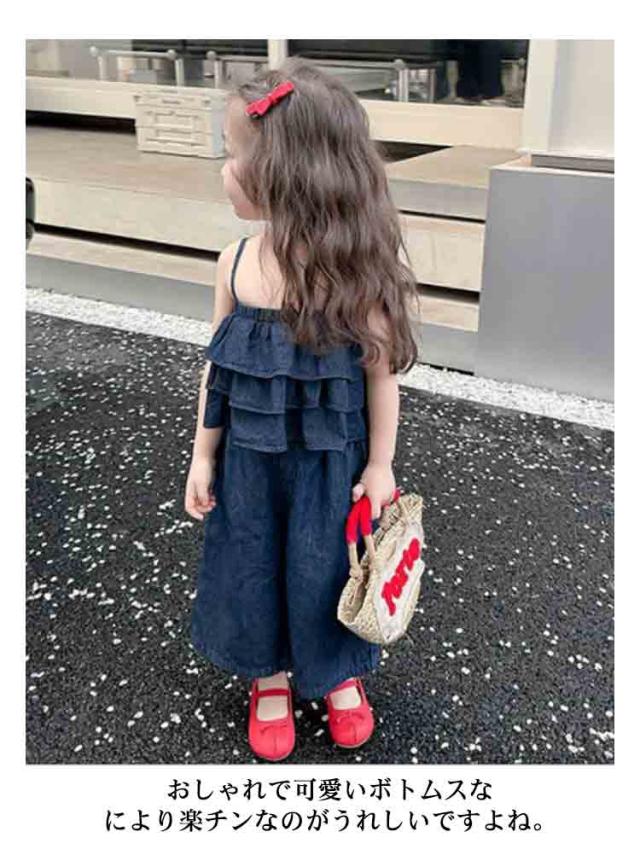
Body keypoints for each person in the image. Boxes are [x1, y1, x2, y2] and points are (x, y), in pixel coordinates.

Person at [184, 57, 420, 762]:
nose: (224, 170)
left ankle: (337, 671)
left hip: (330, 465)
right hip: (248, 462)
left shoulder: (353, 275)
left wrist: (381, 464)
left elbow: (381, 377)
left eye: (233, 154)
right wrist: (202, 454)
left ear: (283, 174)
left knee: (326, 565)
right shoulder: (233, 264)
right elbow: (218, 369)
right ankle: (270, 676)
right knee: (251, 559)